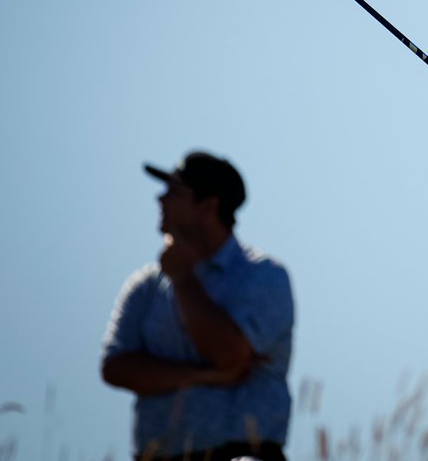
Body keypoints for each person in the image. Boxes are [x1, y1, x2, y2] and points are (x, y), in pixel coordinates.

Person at [101, 151, 294, 461]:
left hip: (242, 454)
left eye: (174, 192)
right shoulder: (146, 287)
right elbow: (116, 367)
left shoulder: (263, 277)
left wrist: (182, 279)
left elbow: (230, 354)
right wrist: (204, 376)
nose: (160, 200)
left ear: (209, 207)